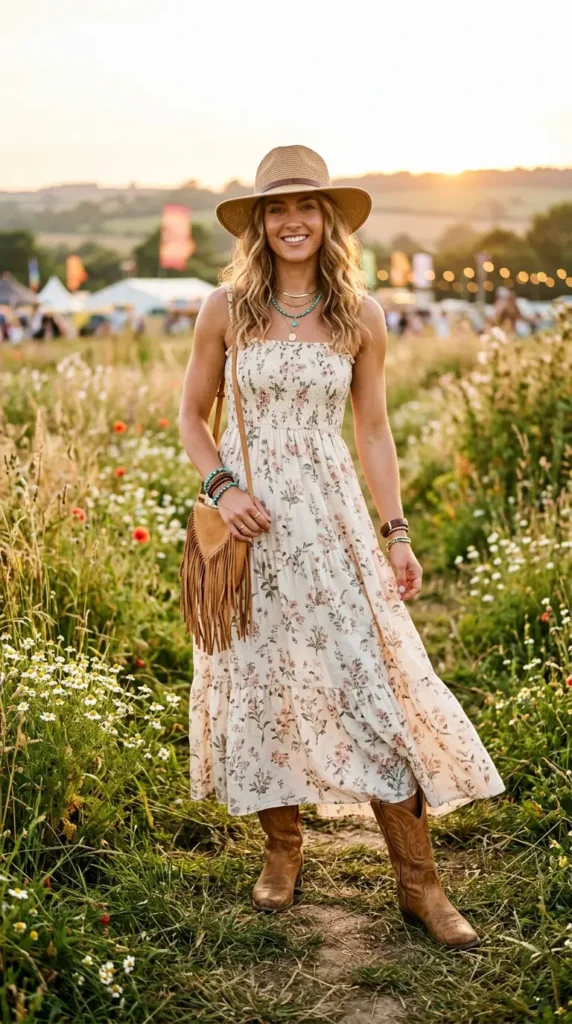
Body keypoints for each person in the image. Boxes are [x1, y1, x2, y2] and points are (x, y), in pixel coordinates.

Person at [178, 145, 504, 951]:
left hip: (333, 526)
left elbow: (374, 429)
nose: (293, 221)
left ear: (327, 221)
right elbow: (191, 416)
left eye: (307, 208)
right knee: (259, 680)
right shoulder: (226, 307)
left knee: (373, 682)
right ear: (260, 223)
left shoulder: (362, 313)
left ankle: (419, 886)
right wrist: (225, 490)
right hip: (250, 530)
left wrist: (395, 531)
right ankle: (283, 850)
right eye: (277, 210)